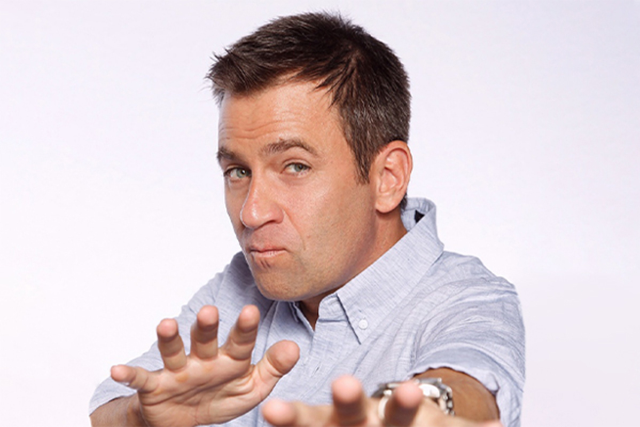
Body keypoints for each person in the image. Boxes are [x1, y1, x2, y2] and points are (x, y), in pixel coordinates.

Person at [90, 12, 524, 427]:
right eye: (238, 171)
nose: (251, 213)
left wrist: (411, 410)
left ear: (387, 178)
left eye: (295, 166)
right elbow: (106, 411)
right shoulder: (237, 290)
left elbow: (469, 389)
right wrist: (143, 416)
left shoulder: (468, 300)